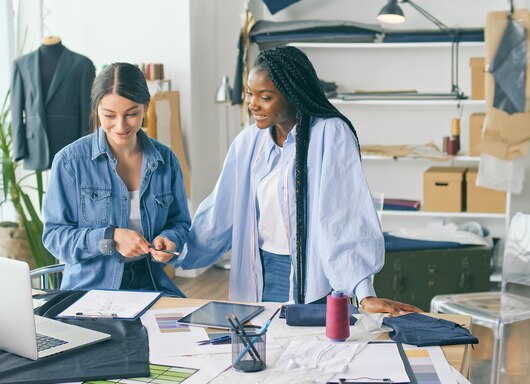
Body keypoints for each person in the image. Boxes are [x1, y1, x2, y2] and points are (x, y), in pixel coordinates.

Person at [177, 46, 421, 315]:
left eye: (265, 97)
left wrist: (363, 293)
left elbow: (344, 216)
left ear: (292, 94)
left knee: (311, 353)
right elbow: (220, 210)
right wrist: (177, 248)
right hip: (255, 272)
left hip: (312, 278)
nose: (252, 104)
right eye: (249, 93)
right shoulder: (247, 142)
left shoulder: (330, 133)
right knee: (258, 353)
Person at [42, 63, 190, 296]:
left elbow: (180, 224)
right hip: (90, 290)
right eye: (109, 115)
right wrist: (110, 238)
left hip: (151, 284)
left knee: (191, 331)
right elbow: (54, 236)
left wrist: (169, 240)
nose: (120, 126)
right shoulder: (70, 162)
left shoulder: (166, 161)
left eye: (132, 114)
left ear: (145, 107)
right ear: (96, 110)